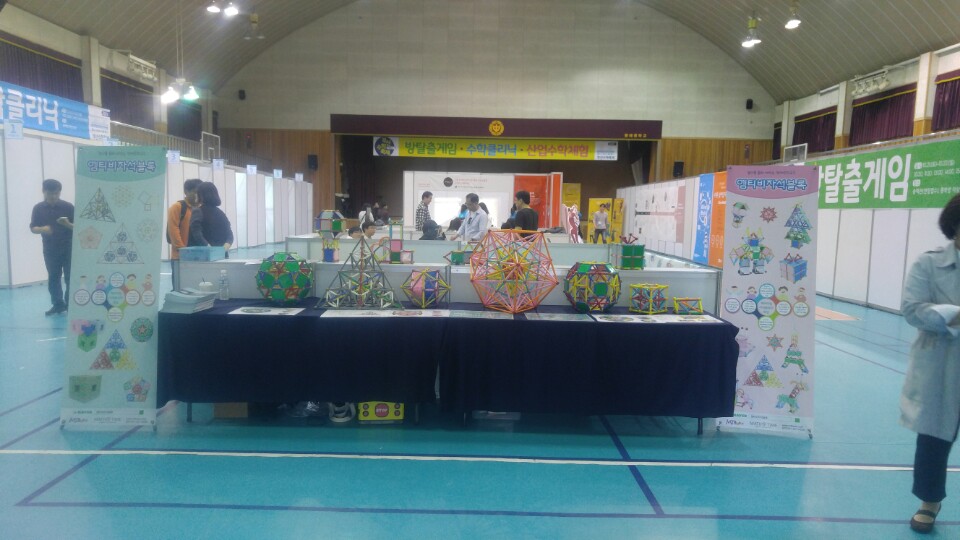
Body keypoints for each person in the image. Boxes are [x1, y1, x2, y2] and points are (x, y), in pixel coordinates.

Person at [901, 192, 960, 534]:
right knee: (934, 439)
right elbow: (912, 310)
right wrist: (953, 317)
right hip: (942, 367)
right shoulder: (929, 264)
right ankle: (929, 501)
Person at [30, 179, 74, 316]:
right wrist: (42, 229)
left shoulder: (68, 207)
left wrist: (67, 224)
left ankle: (70, 305)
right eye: (50, 193)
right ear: (43, 191)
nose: (53, 196)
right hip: (50, 248)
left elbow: (79, 227)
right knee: (54, 277)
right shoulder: (38, 208)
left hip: (68, 247)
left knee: (70, 277)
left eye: (56, 193)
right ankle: (58, 304)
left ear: (60, 192)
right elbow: (33, 228)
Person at [167, 178, 202, 291]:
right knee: (179, 288)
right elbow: (173, 230)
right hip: (180, 257)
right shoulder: (177, 207)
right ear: (186, 191)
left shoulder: (201, 208)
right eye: (195, 192)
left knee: (196, 287)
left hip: (198, 256)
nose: (198, 195)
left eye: (200, 192)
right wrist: (183, 251)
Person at [188, 182, 234, 258]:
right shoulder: (221, 213)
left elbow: (196, 234)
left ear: (201, 195)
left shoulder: (197, 211)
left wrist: (210, 249)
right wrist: (222, 250)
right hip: (222, 257)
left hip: (203, 257)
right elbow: (230, 235)